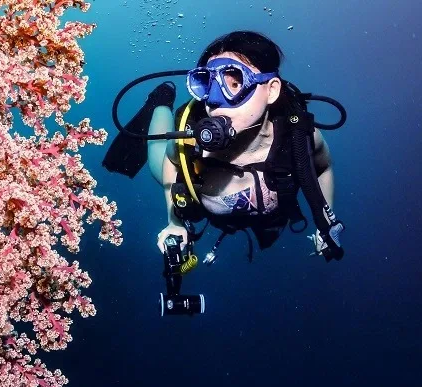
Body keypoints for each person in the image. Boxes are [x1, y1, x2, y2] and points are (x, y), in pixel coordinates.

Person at [103, 31, 346, 269]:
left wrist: (326, 220)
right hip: (193, 188)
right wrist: (174, 221)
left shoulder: (299, 138)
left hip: (265, 217)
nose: (215, 100)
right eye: (207, 85)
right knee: (156, 148)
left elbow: (323, 167)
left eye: (235, 83)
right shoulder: (191, 144)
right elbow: (171, 161)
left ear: (271, 90)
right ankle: (161, 101)